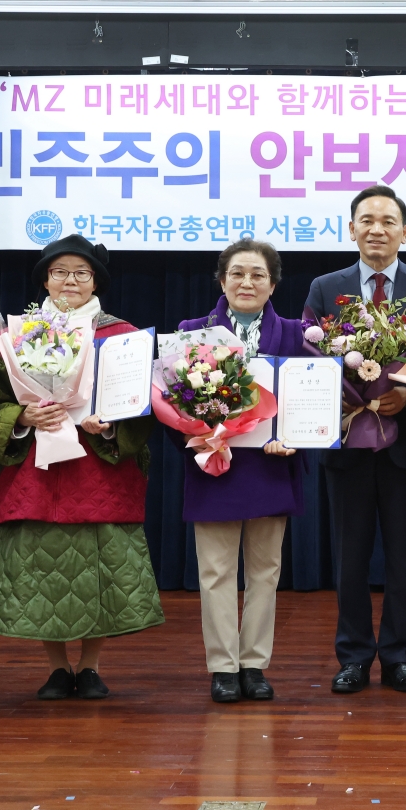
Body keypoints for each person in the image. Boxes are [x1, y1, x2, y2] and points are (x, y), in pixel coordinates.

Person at [0, 235, 163, 700]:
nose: (70, 281)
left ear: (96, 280)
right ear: (45, 280)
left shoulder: (122, 336)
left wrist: (110, 426)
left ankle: (91, 666)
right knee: (44, 572)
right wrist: (21, 417)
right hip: (37, 471)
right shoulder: (15, 338)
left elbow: (144, 407)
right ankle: (57, 667)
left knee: (99, 573)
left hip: (99, 473)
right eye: (60, 272)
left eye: (82, 272)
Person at [302, 184, 406, 694]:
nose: (377, 229)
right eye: (366, 220)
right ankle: (353, 656)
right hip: (347, 441)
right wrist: (337, 393)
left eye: (388, 221)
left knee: (404, 558)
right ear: (351, 229)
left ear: (405, 232)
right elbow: (310, 356)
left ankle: (399, 656)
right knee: (349, 556)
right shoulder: (326, 287)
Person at [176, 239, 313, 703]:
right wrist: (204, 432)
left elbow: (309, 401)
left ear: (272, 284)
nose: (246, 282)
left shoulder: (296, 334)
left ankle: (253, 664)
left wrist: (293, 437)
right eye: (237, 273)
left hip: (271, 464)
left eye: (257, 274)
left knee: (265, 571)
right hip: (215, 462)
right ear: (222, 280)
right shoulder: (192, 332)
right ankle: (222, 666)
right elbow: (177, 403)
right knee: (214, 571)